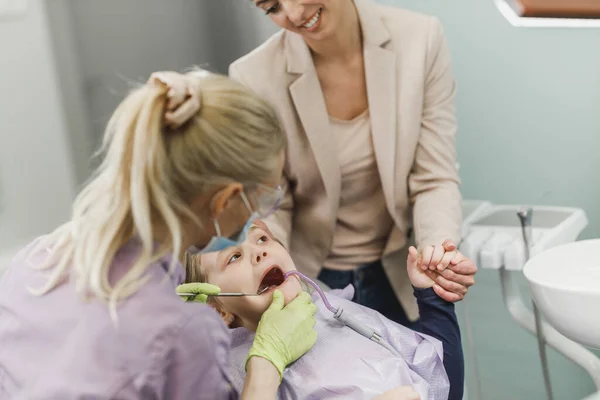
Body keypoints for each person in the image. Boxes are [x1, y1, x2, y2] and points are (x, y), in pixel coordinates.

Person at [0, 70, 318, 399]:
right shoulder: (182, 333)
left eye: (265, 238)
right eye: (265, 198)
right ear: (223, 201)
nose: (259, 229)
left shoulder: (36, 261)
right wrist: (266, 362)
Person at [229, 0, 478, 328]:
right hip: (312, 283)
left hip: (402, 274)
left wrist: (439, 252)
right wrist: (264, 274)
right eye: (272, 7)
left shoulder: (420, 39)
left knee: (431, 376)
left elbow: (434, 177)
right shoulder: (253, 77)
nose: (292, 14)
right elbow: (273, 204)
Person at [184, 219, 464, 400]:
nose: (259, 252)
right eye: (233, 257)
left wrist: (432, 297)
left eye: (262, 239)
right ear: (217, 308)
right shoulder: (232, 376)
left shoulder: (337, 314)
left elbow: (444, 382)